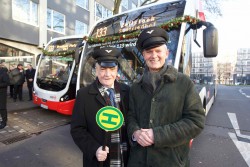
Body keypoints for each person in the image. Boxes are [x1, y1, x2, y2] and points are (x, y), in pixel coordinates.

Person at [127, 27, 205, 167]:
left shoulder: (184, 83)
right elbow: (130, 117)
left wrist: (156, 135)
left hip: (171, 162)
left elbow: (196, 122)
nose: (154, 55)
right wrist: (135, 133)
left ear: (167, 53)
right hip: (138, 161)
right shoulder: (135, 87)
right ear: (143, 55)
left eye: (158, 51)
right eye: (149, 52)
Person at [71, 47, 130, 167]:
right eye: (102, 69)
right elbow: (77, 129)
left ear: (117, 70)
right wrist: (94, 149)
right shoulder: (84, 95)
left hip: (125, 157)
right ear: (96, 70)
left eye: (112, 69)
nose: (107, 74)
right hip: (100, 161)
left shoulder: (127, 91)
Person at [0, 63, 10, 129]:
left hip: (2, 93)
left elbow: (7, 83)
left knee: (2, 108)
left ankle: (4, 122)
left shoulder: (3, 72)